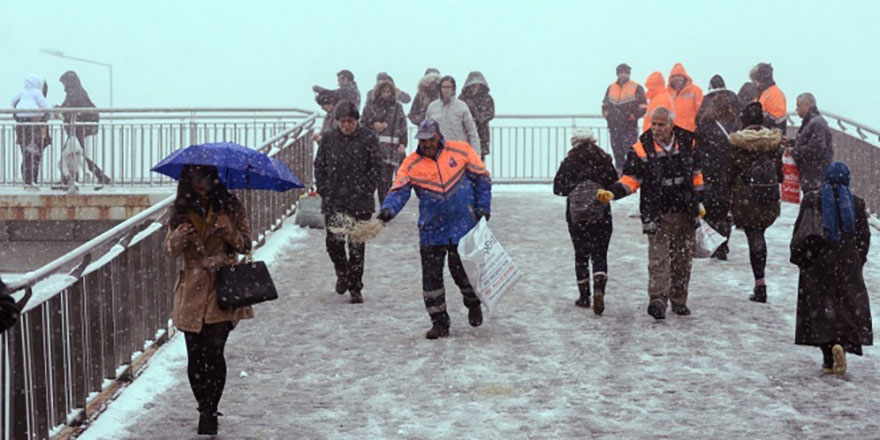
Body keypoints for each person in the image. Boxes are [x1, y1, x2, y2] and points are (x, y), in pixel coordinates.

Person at [377, 118, 491, 339]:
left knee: (462, 272)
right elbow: (399, 191)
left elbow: (483, 179)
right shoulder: (410, 164)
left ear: (439, 136)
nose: (426, 144)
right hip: (431, 229)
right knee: (431, 278)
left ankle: (472, 301)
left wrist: (483, 208)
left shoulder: (461, 151)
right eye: (422, 140)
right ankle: (439, 321)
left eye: (430, 139)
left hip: (462, 225)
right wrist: (387, 210)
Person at [162, 164, 253, 436]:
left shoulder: (230, 206)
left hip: (222, 289)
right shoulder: (180, 211)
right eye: (193, 178)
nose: (199, 184)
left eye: (203, 177)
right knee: (195, 355)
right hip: (190, 289)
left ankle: (210, 411)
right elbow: (168, 251)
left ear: (213, 179)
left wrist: (227, 230)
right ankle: (202, 404)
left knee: (214, 352)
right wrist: (179, 237)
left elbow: (246, 245)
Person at [597, 107, 705, 320]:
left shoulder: (688, 142)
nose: (656, 128)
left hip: (685, 210)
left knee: (682, 260)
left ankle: (679, 300)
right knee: (658, 260)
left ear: (671, 125)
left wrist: (700, 201)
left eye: (661, 124)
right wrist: (613, 192)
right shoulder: (640, 148)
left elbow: (697, 175)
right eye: (653, 124)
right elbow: (631, 179)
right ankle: (657, 300)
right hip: (657, 213)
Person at [792, 161, 872, 375]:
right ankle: (842, 346)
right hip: (846, 263)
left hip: (817, 262)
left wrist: (802, 259)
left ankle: (828, 356)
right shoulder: (856, 203)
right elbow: (864, 237)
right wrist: (857, 261)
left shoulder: (812, 199)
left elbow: (799, 231)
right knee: (845, 308)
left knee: (819, 311)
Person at [313, 102, 382, 303]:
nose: (346, 125)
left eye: (350, 121)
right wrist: (324, 189)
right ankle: (343, 272)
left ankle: (355, 286)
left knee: (356, 245)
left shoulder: (368, 138)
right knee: (334, 242)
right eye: (342, 121)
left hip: (360, 200)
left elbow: (376, 166)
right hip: (334, 199)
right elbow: (320, 166)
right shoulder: (329, 139)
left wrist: (367, 188)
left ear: (356, 120)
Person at [553, 128, 618, 314]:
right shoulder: (603, 158)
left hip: (577, 215)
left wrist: (575, 190)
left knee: (581, 253)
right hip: (601, 212)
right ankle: (599, 286)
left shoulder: (570, 160)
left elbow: (558, 188)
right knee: (600, 251)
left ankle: (584, 296)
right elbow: (614, 183)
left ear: (574, 142)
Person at [727, 102, 783, 303]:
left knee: (754, 236)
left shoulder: (737, 144)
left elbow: (729, 174)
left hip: (746, 199)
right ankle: (760, 282)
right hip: (769, 198)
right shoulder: (773, 143)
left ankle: (760, 285)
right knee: (760, 233)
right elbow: (780, 175)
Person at [694, 74, 741, 260]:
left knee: (710, 209)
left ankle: (714, 242)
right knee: (724, 210)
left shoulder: (703, 128)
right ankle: (724, 244)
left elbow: (696, 153)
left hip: (709, 173)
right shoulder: (735, 126)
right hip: (728, 173)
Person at [58, 71, 111, 185]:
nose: (64, 86)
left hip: (77, 128)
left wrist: (61, 111)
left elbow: (72, 107)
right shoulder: (77, 91)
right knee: (75, 155)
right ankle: (74, 178)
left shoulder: (75, 92)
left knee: (70, 154)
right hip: (78, 127)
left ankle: (70, 179)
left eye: (64, 83)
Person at [361, 78, 408, 204]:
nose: (386, 94)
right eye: (383, 91)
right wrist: (373, 124)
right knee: (375, 179)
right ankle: (372, 205)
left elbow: (403, 125)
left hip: (392, 149)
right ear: (378, 92)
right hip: (374, 149)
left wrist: (403, 143)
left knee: (386, 180)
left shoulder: (398, 108)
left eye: (388, 91)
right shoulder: (370, 107)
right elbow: (362, 123)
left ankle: (385, 205)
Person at [602, 63, 647, 173]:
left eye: (626, 72)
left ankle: (631, 176)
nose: (623, 75)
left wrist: (634, 115)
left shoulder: (637, 87)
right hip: (614, 127)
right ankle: (620, 176)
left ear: (629, 74)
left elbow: (643, 106)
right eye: (621, 72)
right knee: (617, 153)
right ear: (617, 74)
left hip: (629, 127)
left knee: (630, 152)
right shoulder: (611, 88)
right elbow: (604, 105)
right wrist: (608, 117)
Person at [11, 75, 52, 189]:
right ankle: (31, 181)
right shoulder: (37, 96)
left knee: (27, 156)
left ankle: (28, 181)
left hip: (24, 131)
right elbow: (47, 110)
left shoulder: (22, 97)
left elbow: (13, 104)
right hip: (35, 132)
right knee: (33, 157)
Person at [425, 75, 481, 152]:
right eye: (443, 87)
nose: (445, 90)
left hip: (458, 152)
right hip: (438, 152)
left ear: (453, 89)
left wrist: (476, 153)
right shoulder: (432, 107)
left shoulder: (461, 107)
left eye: (448, 87)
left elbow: (471, 131)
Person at [792, 93, 833, 192]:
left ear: (807, 104)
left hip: (814, 175)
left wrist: (794, 151)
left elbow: (816, 149)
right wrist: (790, 142)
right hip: (813, 175)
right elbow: (809, 143)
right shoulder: (813, 121)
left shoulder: (816, 123)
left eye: (798, 106)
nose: (796, 110)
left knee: (813, 203)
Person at [459, 71, 496, 161]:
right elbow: (458, 112)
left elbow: (490, 114)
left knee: (479, 159)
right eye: (473, 85)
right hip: (466, 132)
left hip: (481, 133)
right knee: (464, 158)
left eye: (476, 85)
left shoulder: (487, 98)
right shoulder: (463, 98)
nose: (474, 87)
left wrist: (479, 117)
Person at [666, 63, 703, 132]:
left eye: (679, 76)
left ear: (685, 78)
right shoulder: (665, 93)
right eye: (674, 77)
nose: (677, 79)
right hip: (670, 133)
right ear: (671, 79)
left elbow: (701, 113)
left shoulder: (696, 91)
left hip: (690, 132)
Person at [753, 63, 787, 133]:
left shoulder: (775, 94)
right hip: (760, 136)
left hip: (769, 138)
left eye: (756, 80)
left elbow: (778, 120)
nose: (754, 83)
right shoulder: (762, 94)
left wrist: (760, 116)